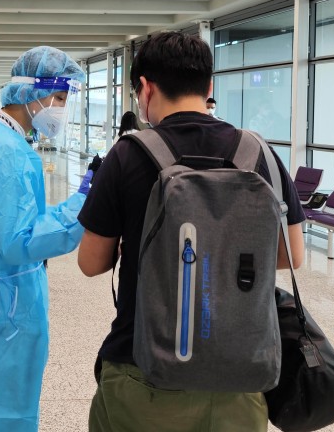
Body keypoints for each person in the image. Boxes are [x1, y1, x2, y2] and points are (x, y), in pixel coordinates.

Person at [76, 32, 305, 432]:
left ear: (145, 88)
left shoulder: (128, 154)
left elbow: (91, 263)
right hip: (241, 378)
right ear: (209, 85)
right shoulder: (261, 154)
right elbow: (292, 256)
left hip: (142, 371)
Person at [0, 46, 99, 432]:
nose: (62, 109)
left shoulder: (0, 141)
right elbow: (19, 242)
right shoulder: (6, 153)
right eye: (60, 98)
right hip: (2, 312)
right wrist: (82, 203)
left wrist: (73, 203)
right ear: (34, 93)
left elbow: (19, 220)